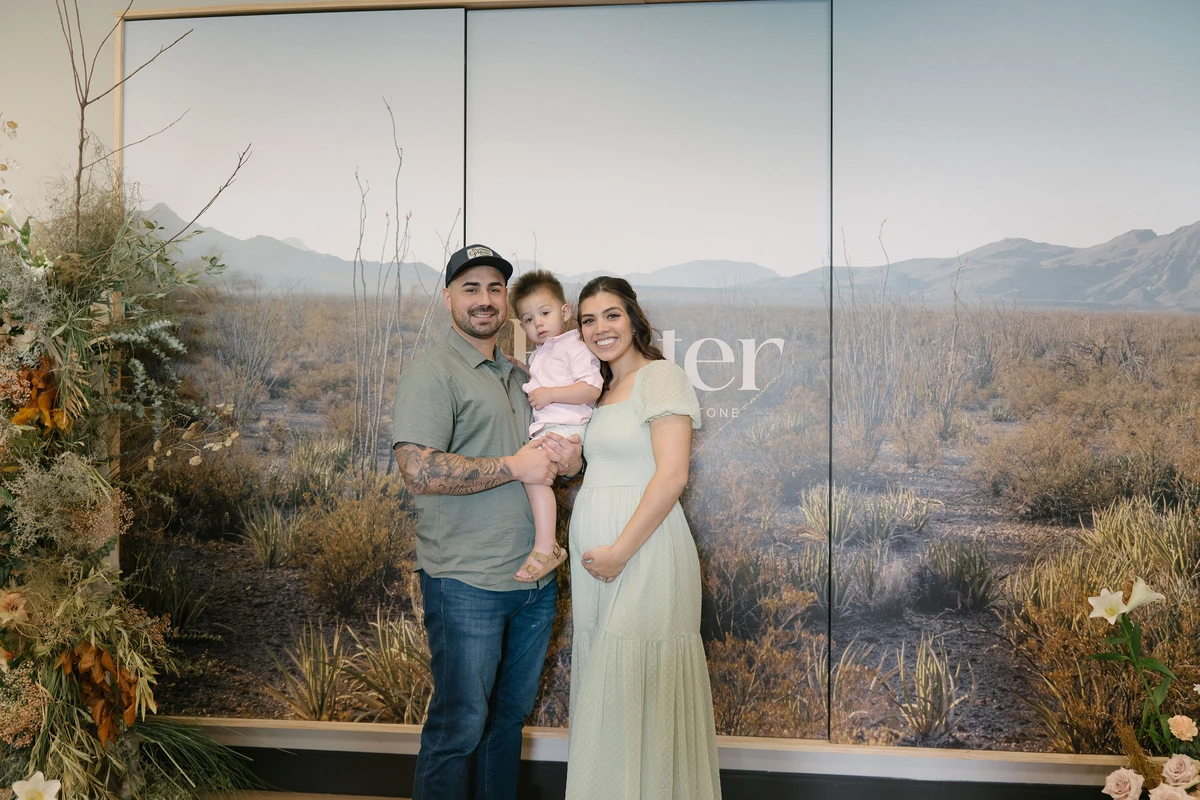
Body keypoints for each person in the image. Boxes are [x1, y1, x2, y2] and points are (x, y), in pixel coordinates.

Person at [391, 244, 583, 800]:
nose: (485, 299)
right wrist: (513, 466)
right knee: (459, 727)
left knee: (505, 725)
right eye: (470, 288)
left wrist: (572, 460)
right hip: (466, 583)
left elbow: (549, 457)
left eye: (495, 288)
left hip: (533, 585)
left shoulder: (520, 373)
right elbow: (419, 471)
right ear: (448, 297)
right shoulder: (433, 373)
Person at [564, 276, 722, 800]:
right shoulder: (599, 389)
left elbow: (672, 475)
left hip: (644, 552)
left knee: (638, 684)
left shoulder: (661, 377)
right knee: (609, 690)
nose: (601, 328)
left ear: (633, 319)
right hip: (598, 564)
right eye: (588, 320)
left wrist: (619, 552)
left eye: (612, 315)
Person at [508, 269, 603, 583]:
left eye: (544, 313)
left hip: (565, 428)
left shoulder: (575, 347)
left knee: (533, 474)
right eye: (528, 319)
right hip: (553, 428)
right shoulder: (544, 351)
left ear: (564, 312)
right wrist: (522, 369)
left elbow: (590, 388)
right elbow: (546, 378)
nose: (537, 323)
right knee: (532, 475)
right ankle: (545, 544)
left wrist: (550, 394)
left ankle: (546, 546)